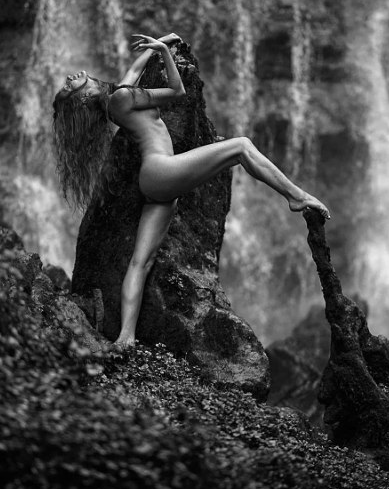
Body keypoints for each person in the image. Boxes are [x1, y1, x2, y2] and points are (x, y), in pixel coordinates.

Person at [53, 32, 330, 347]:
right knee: (241, 146)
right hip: (162, 171)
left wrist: (162, 40)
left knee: (141, 262)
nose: (69, 79)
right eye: (68, 88)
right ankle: (296, 196)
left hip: (156, 182)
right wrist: (164, 52)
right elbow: (177, 90)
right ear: (82, 100)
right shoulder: (120, 99)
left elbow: (133, 71)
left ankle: (126, 337)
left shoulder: (116, 100)